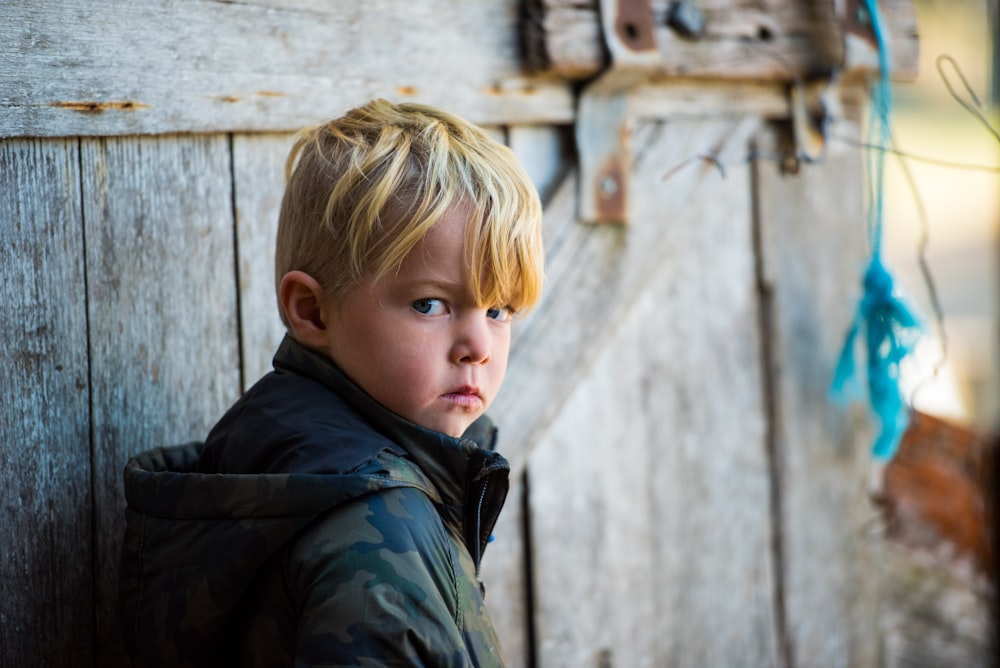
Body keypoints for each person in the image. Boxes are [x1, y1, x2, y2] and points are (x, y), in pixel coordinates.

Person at [119, 99, 544, 667]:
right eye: (430, 303)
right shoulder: (376, 533)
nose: (479, 346)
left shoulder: (278, 456)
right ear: (313, 312)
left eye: (499, 310)